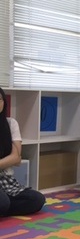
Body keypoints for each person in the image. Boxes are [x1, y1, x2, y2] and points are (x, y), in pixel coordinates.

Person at [0, 87, 46, 217]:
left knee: (37, 199)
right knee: (3, 202)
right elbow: (12, 158)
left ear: (4, 102)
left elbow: (16, 158)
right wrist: (8, 160)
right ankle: (4, 205)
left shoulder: (10, 124)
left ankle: (4, 206)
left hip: (7, 181)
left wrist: (13, 158)